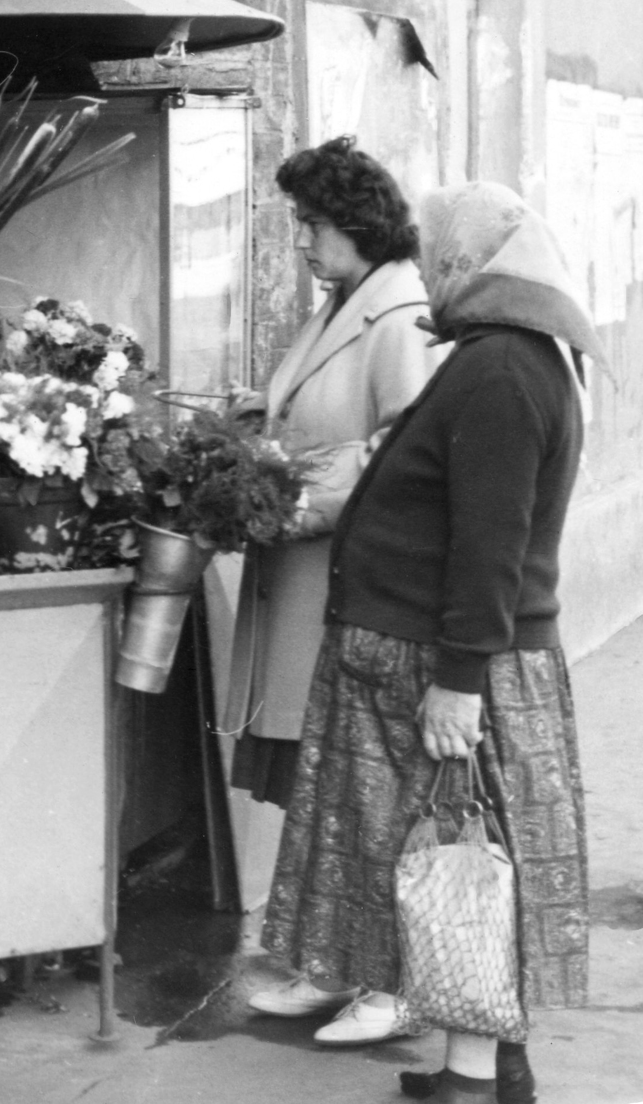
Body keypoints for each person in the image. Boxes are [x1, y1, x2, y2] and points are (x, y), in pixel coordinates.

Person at [258, 182, 597, 1104]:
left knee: (460, 868)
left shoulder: (499, 370)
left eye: (440, 251)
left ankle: (473, 1083)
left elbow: (490, 543)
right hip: (434, 656)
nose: (428, 264)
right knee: (463, 861)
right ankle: (492, 1062)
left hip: (444, 665)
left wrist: (458, 682)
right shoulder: (505, 357)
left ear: (469, 263)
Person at [233, 138, 447, 1046]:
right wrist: (262, 418)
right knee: (325, 787)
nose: (302, 243)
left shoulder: (399, 315)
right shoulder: (346, 304)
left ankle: (395, 982)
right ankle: (334, 961)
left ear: (353, 225)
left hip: (352, 582)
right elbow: (323, 414)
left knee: (368, 786)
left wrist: (301, 499)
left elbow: (402, 448)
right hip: (309, 577)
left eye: (309, 225)